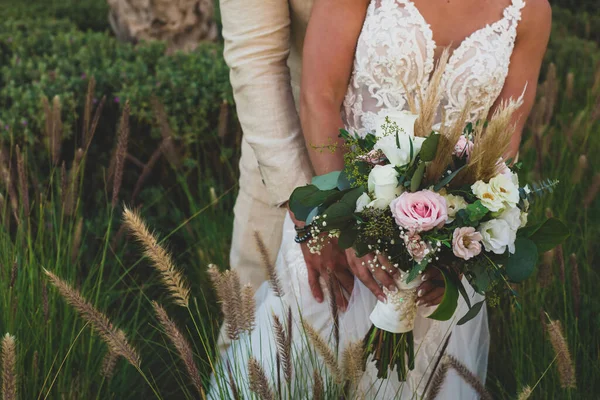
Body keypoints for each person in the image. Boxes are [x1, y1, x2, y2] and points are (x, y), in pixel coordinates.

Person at [216, 0, 551, 398]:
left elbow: (500, 151)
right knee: (278, 364)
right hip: (325, 200)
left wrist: (461, 252)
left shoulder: (529, 11)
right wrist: (334, 221)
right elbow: (295, 83)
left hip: (438, 261)